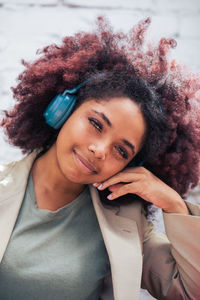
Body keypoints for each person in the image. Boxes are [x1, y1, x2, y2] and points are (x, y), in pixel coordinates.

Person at [0, 16, 199, 300]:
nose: (100, 150)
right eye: (96, 124)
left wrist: (173, 203)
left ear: (130, 167)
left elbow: (192, 290)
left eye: (121, 151)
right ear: (63, 108)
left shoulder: (127, 226)